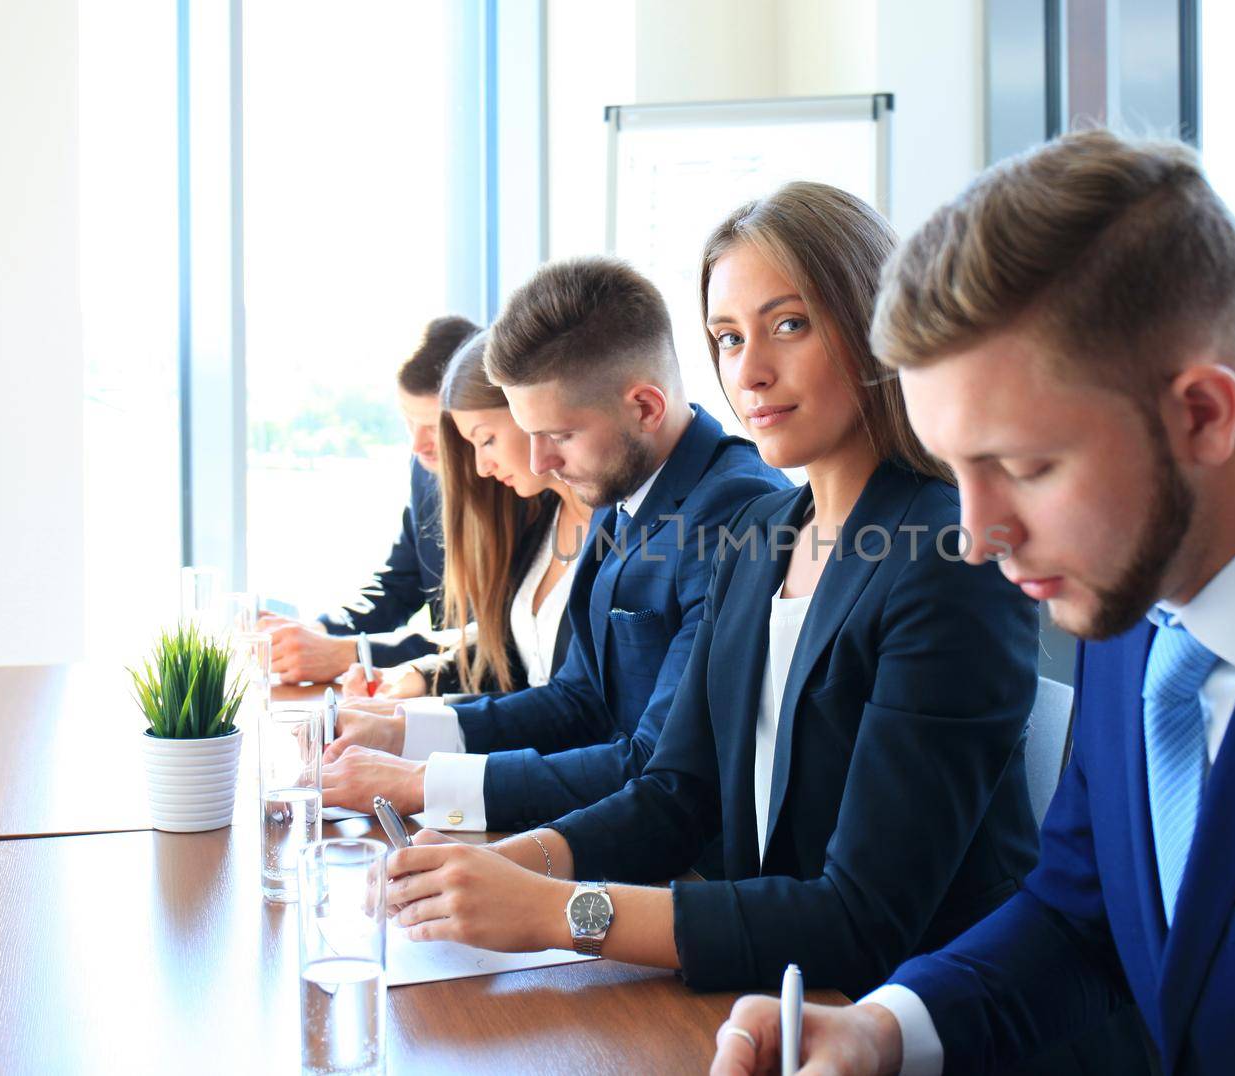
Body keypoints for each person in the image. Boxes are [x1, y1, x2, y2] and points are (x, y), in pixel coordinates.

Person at [711, 131, 1235, 1074]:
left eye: (1024, 467)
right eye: (958, 469)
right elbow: (1082, 912)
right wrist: (887, 1028)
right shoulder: (1134, 603)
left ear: (1202, 413)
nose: (975, 532)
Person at [379, 182, 1041, 998]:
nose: (750, 372)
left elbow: (860, 919)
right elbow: (674, 795)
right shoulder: (761, 537)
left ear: (877, 324)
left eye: (788, 325)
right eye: (727, 338)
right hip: (775, 999)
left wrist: (560, 912)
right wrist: (502, 866)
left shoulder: (944, 553)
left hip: (910, 1017)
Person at [322, 257, 787, 831]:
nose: (541, 463)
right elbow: (577, 699)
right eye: (532, 435)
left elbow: (656, 764)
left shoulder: (735, 512)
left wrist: (422, 783)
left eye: (558, 435)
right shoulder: (620, 490)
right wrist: (403, 731)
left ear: (645, 408)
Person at [339, 329, 591, 700]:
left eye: (486, 440)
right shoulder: (548, 515)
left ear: (530, 414)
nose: (480, 467)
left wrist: (423, 727)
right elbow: (507, 646)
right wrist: (419, 677)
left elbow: (576, 706)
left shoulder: (603, 521)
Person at [260, 315, 479, 683]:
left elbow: (501, 641)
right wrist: (320, 631)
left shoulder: (525, 487)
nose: (417, 444)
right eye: (408, 421)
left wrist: (351, 653)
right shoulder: (425, 469)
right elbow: (398, 585)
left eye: (435, 427)